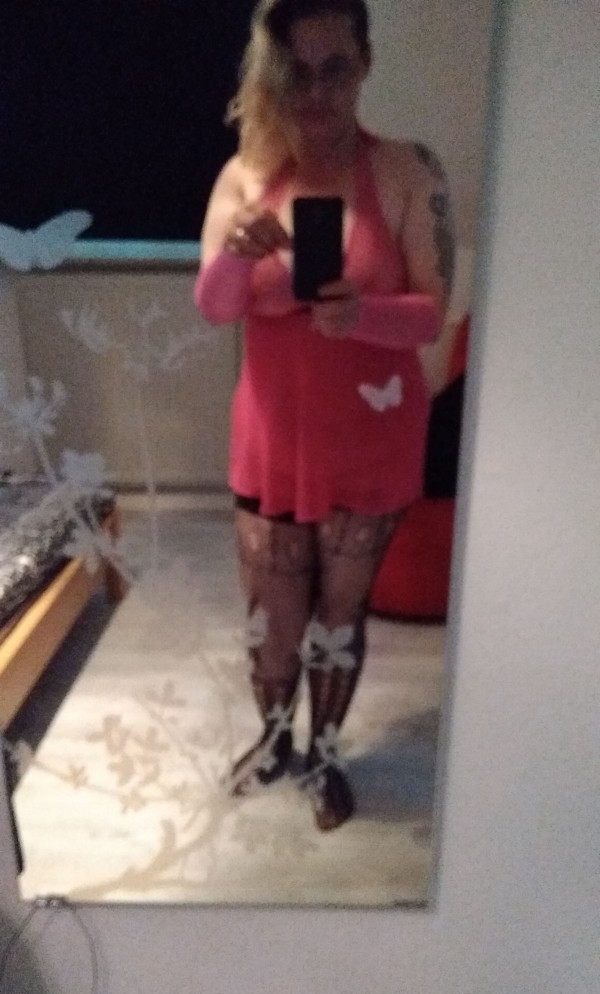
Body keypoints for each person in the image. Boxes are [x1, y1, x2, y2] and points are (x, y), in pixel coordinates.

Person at [194, 0, 454, 831]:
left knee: (339, 618)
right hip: (272, 442)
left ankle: (327, 754)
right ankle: (275, 743)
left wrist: (362, 315)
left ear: (365, 62)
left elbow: (432, 313)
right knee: (273, 623)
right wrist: (239, 254)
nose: (315, 91)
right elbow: (214, 308)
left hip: (371, 441)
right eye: (297, 72)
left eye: (333, 68)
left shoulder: (408, 171)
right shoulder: (244, 177)